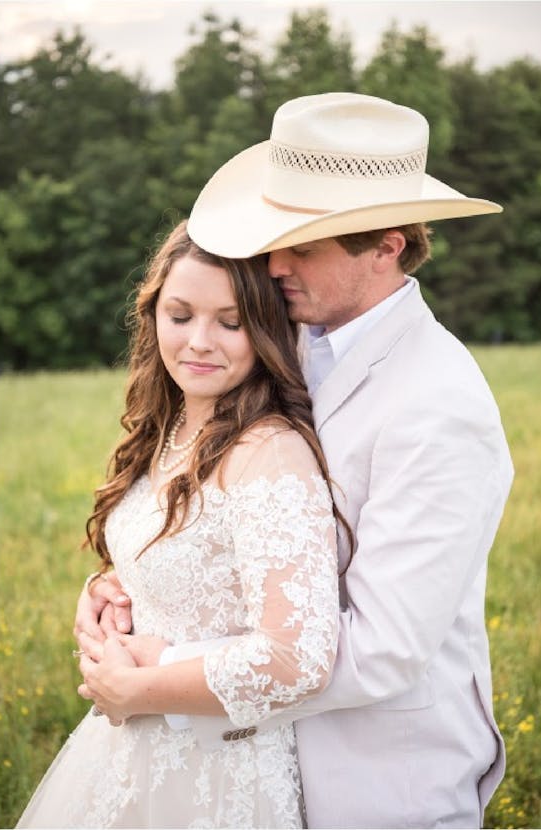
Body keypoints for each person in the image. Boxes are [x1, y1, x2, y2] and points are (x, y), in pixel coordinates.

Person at [75, 93, 514, 829]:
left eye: (303, 245)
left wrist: (159, 668)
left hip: (376, 780)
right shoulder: (286, 337)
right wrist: (140, 585)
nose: (272, 262)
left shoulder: (440, 404)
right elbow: (243, 525)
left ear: (386, 246)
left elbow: (382, 650)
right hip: (248, 762)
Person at [16, 220, 343, 829]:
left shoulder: (268, 453)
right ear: (153, 315)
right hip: (126, 752)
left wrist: (141, 689)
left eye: (230, 321)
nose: (199, 341)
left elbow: (298, 658)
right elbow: (184, 561)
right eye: (180, 314)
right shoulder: (169, 429)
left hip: (218, 772)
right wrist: (106, 591)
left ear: (266, 329)